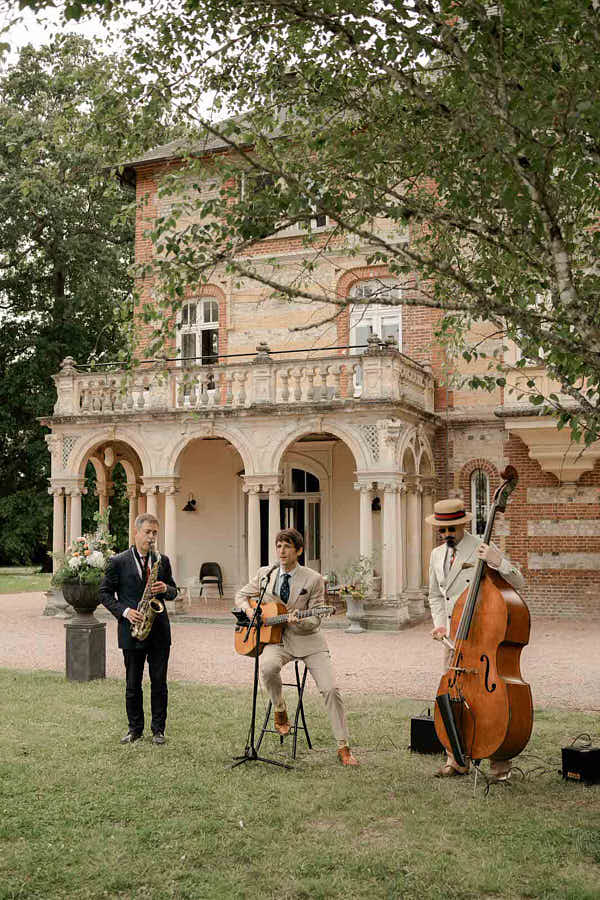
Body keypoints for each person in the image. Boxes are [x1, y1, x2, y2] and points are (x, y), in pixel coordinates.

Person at [235, 528, 359, 767]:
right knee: (267, 667)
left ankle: (343, 746)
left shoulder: (313, 579)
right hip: (276, 640)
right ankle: (280, 708)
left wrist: (298, 620)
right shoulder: (265, 573)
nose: (282, 551)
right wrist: (250, 610)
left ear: (299, 550)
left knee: (331, 689)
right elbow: (240, 596)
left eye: (287, 546)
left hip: (309, 640)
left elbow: (316, 619)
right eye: (279, 546)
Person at [426, 498, 525, 782]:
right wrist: (440, 624)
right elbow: (435, 595)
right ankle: (456, 759)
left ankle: (499, 764)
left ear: (463, 525)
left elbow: (518, 582)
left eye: (452, 529)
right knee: (453, 695)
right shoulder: (436, 555)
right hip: (454, 641)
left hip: (483, 635)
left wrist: (498, 561)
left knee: (491, 699)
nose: (447, 534)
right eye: (442, 530)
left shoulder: (482, 547)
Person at [99, 513, 178, 745]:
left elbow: (174, 591)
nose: (151, 537)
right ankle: (134, 729)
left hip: (159, 631)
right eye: (147, 532)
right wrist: (125, 612)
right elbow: (104, 593)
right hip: (132, 629)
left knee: (159, 683)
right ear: (136, 533)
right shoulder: (118, 561)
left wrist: (166, 589)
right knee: (133, 684)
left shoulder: (162, 561)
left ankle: (158, 730)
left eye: (155, 533)